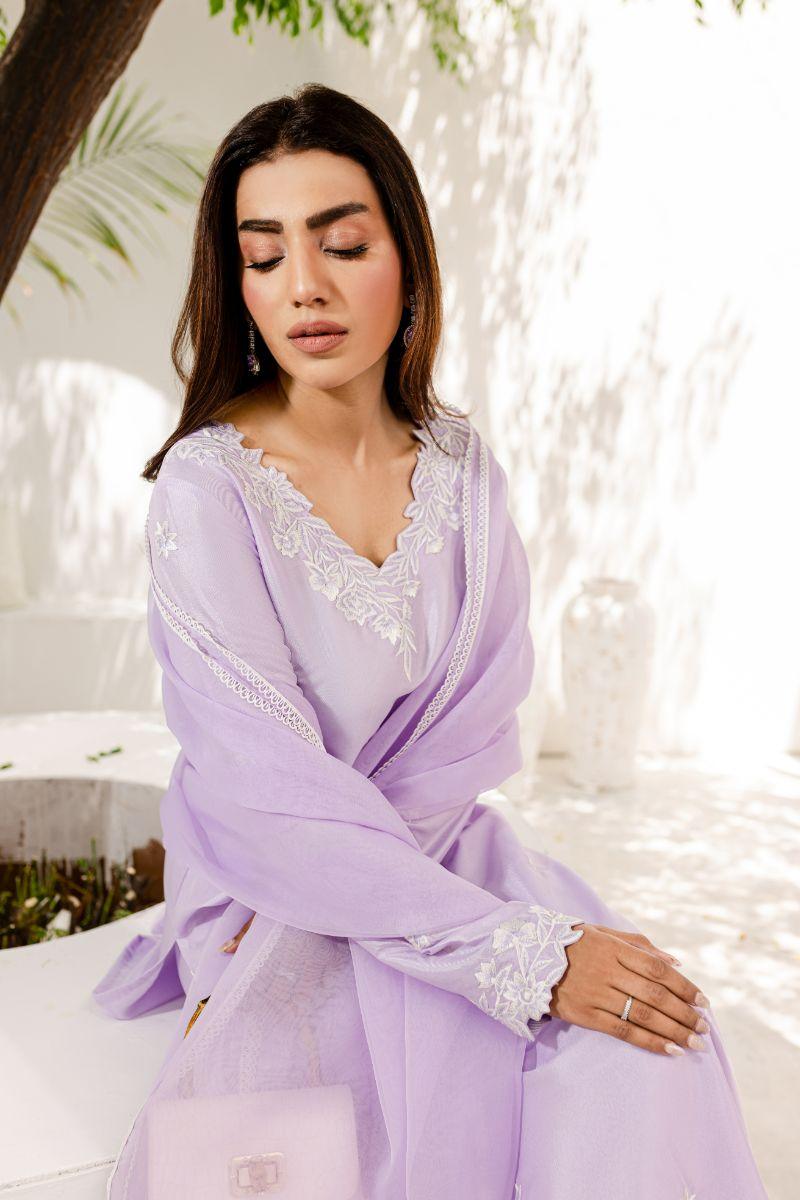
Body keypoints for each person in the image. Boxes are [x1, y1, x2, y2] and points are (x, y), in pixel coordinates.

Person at [92, 83, 768, 1200]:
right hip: (279, 890)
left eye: (342, 244)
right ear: (236, 282)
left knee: (651, 1051)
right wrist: (524, 956)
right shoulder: (208, 490)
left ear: (406, 256)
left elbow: (469, 733)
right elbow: (264, 792)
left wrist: (535, 941)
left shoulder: (463, 471)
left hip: (453, 856)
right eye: (263, 256)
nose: (302, 286)